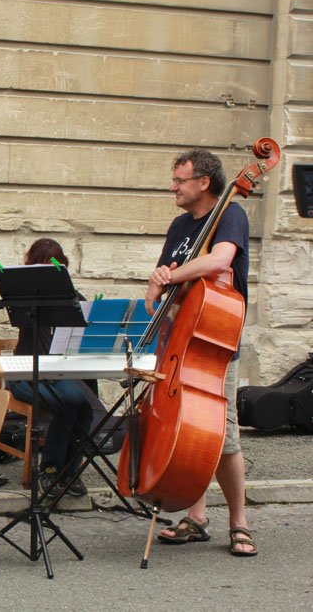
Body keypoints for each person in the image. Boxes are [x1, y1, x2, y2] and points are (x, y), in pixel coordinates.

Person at [148, 149, 256, 556]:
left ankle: (239, 523)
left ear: (204, 182)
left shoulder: (231, 215)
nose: (173, 187)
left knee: (223, 436)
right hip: (179, 340)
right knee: (188, 433)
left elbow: (220, 260)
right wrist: (157, 283)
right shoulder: (180, 226)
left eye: (180, 180)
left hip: (213, 345)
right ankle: (196, 517)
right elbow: (164, 284)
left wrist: (173, 275)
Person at [7, 238, 93, 498]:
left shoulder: (73, 299)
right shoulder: (25, 299)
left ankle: (70, 470)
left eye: (55, 269)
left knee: (86, 405)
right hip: (25, 373)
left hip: (59, 373)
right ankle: (50, 470)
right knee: (68, 402)